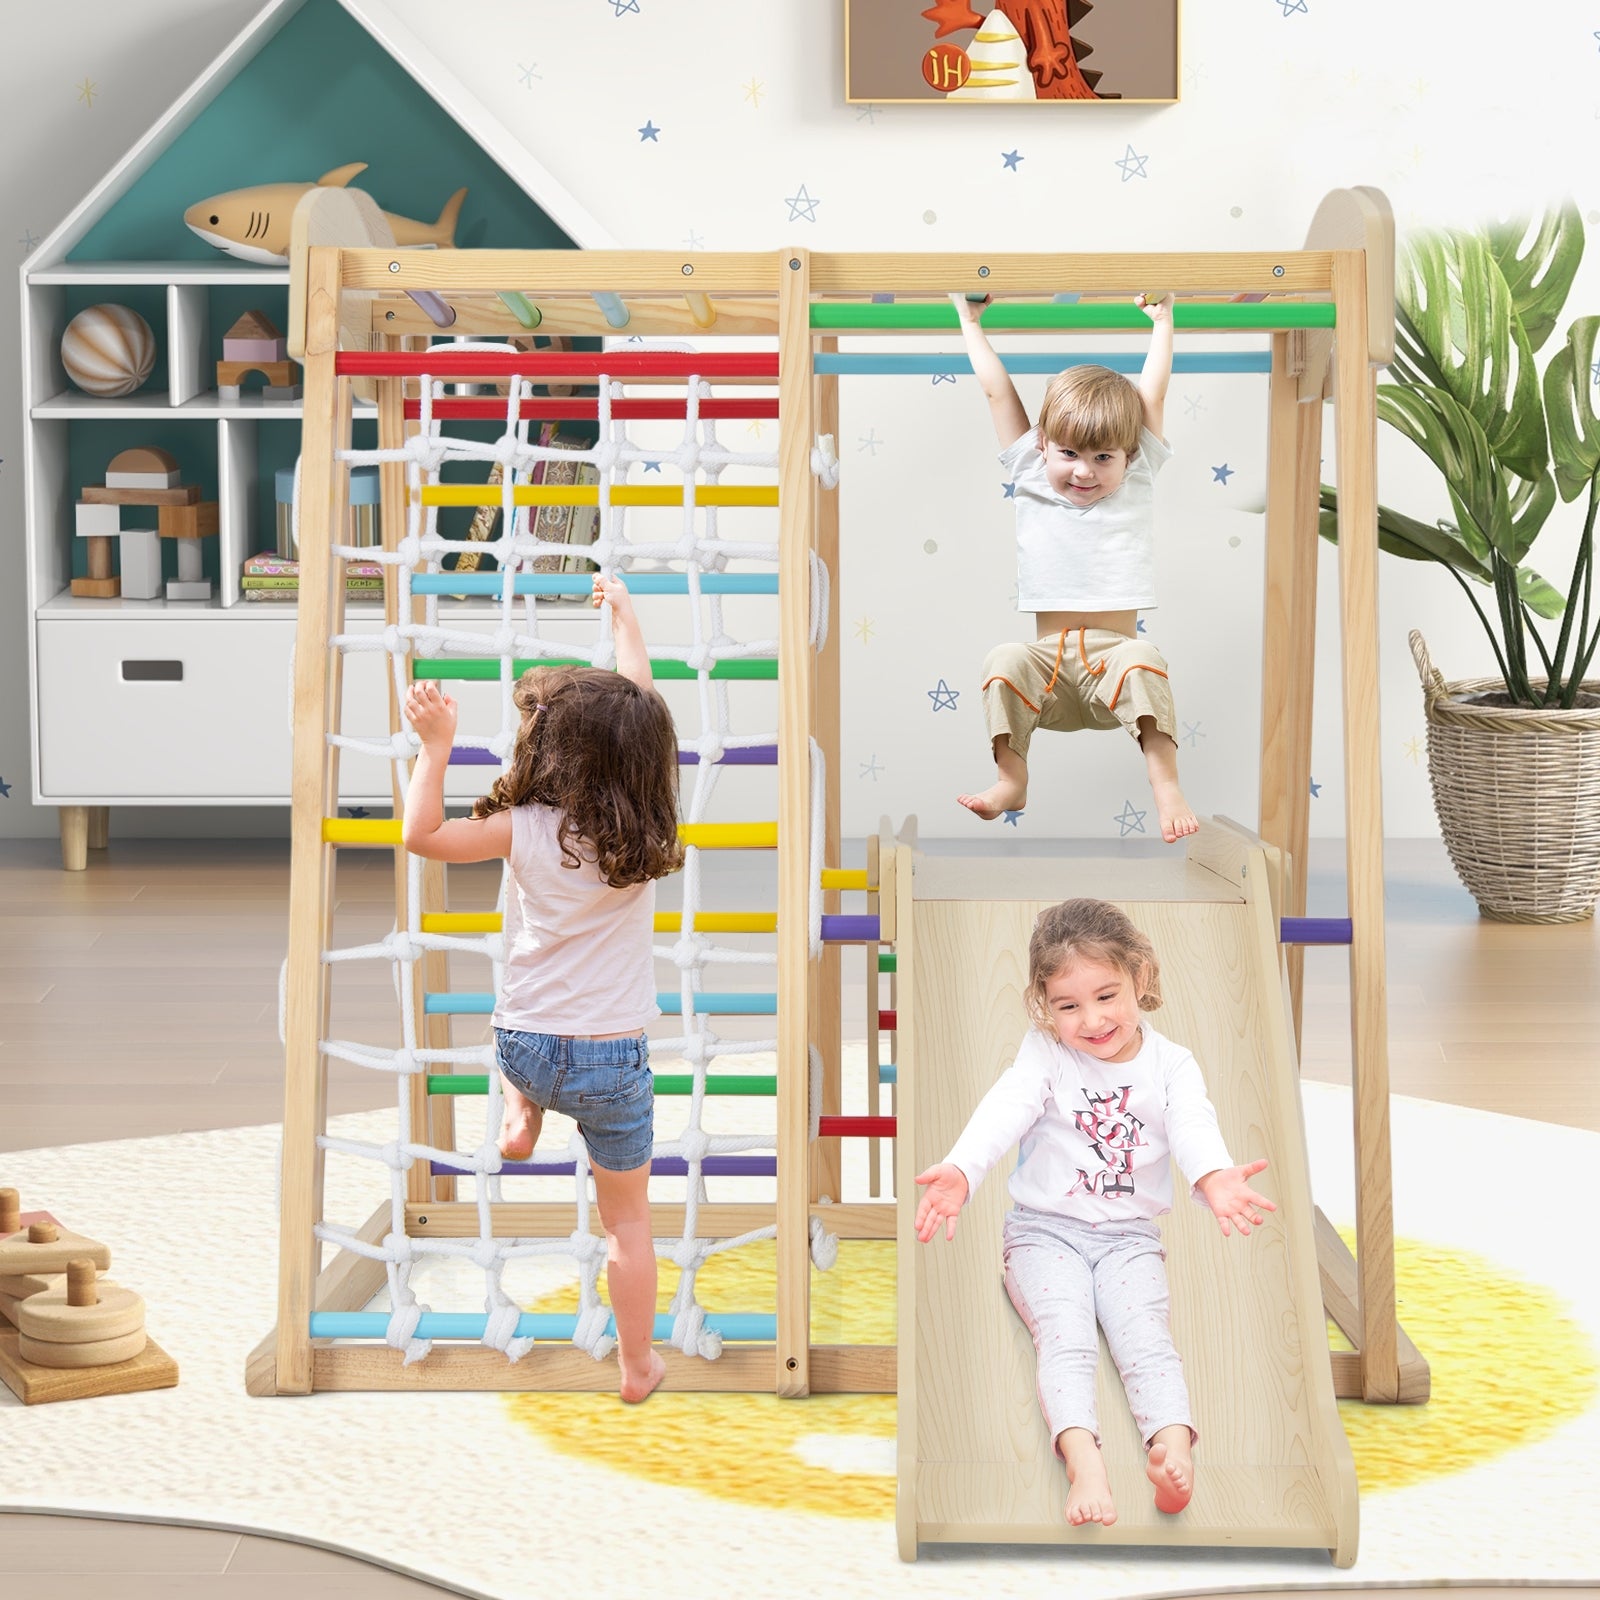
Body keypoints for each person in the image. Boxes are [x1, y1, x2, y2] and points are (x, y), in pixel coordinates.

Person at [401, 573, 683, 1403]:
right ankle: (637, 1364)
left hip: (524, 1045)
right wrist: (626, 614)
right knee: (627, 1222)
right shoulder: (646, 828)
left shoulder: (523, 829)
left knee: (523, 1046)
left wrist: (435, 749)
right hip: (612, 1062)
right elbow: (640, 698)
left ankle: (520, 1115)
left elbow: (422, 834)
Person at [913, 898, 1275, 1526]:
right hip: (1043, 1235)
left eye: (1107, 996)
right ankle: (1085, 1463)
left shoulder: (1171, 1064)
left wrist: (1214, 1176)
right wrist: (963, 1169)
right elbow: (1007, 1106)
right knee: (1067, 1333)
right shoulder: (1046, 1054)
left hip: (1130, 1240)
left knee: (1147, 1339)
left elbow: (1192, 1123)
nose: (1092, 1019)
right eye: (1068, 1006)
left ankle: (1174, 1452)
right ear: (1044, 1005)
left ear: (1140, 976)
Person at [951, 292, 1199, 843]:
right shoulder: (1029, 470)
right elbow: (996, 391)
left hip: (1113, 674)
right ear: (1043, 445)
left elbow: (1153, 391)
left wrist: (1163, 321)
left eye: (1103, 458)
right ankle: (1012, 778)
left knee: (1142, 655)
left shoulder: (1137, 477)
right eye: (1069, 454)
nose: (1084, 472)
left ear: (1129, 455)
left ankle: (1165, 785)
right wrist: (970, 322)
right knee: (1003, 658)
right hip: (1048, 675)